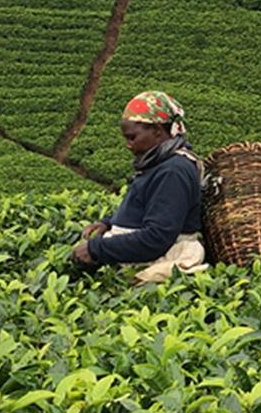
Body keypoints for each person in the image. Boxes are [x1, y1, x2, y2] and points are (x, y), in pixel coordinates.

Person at [71, 91, 206, 283]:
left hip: (159, 261)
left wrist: (97, 249)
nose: (128, 145)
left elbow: (156, 238)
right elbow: (146, 208)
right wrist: (108, 223)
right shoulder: (159, 165)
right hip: (138, 257)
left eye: (132, 137)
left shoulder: (174, 171)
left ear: (158, 131)